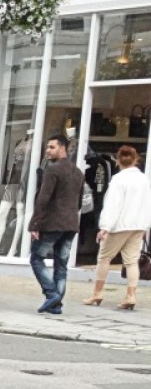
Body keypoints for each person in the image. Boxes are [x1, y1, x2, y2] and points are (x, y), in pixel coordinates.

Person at [84, 144, 151, 311]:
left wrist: (105, 227)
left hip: (119, 225)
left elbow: (113, 205)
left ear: (118, 161)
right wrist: (145, 225)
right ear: (136, 160)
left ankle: (97, 293)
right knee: (131, 261)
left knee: (104, 258)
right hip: (137, 226)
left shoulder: (118, 180)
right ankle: (131, 295)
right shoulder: (144, 179)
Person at [28, 133, 84, 315]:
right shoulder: (78, 172)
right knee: (61, 265)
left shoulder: (53, 170)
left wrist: (35, 224)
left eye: (51, 147)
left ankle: (51, 294)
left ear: (62, 148)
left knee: (36, 258)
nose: (47, 151)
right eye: (47, 147)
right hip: (71, 225)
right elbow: (80, 202)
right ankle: (56, 305)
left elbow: (43, 199)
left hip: (52, 224)